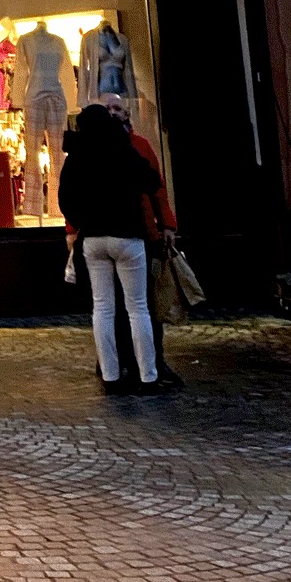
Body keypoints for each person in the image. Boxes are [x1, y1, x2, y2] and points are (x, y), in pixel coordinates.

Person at [57, 104, 175, 395]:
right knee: (138, 308)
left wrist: (81, 222)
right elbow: (151, 181)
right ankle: (148, 375)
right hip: (127, 235)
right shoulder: (123, 148)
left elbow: (65, 198)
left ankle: (110, 376)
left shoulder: (76, 155)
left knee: (102, 308)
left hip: (94, 238)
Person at [102, 93, 184, 387]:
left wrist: (167, 225)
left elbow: (157, 189)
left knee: (146, 304)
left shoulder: (141, 146)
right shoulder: (94, 147)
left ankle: (153, 362)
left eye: (118, 109)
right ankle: (119, 363)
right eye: (108, 108)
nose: (113, 113)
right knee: (114, 305)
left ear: (127, 115)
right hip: (107, 236)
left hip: (142, 234)